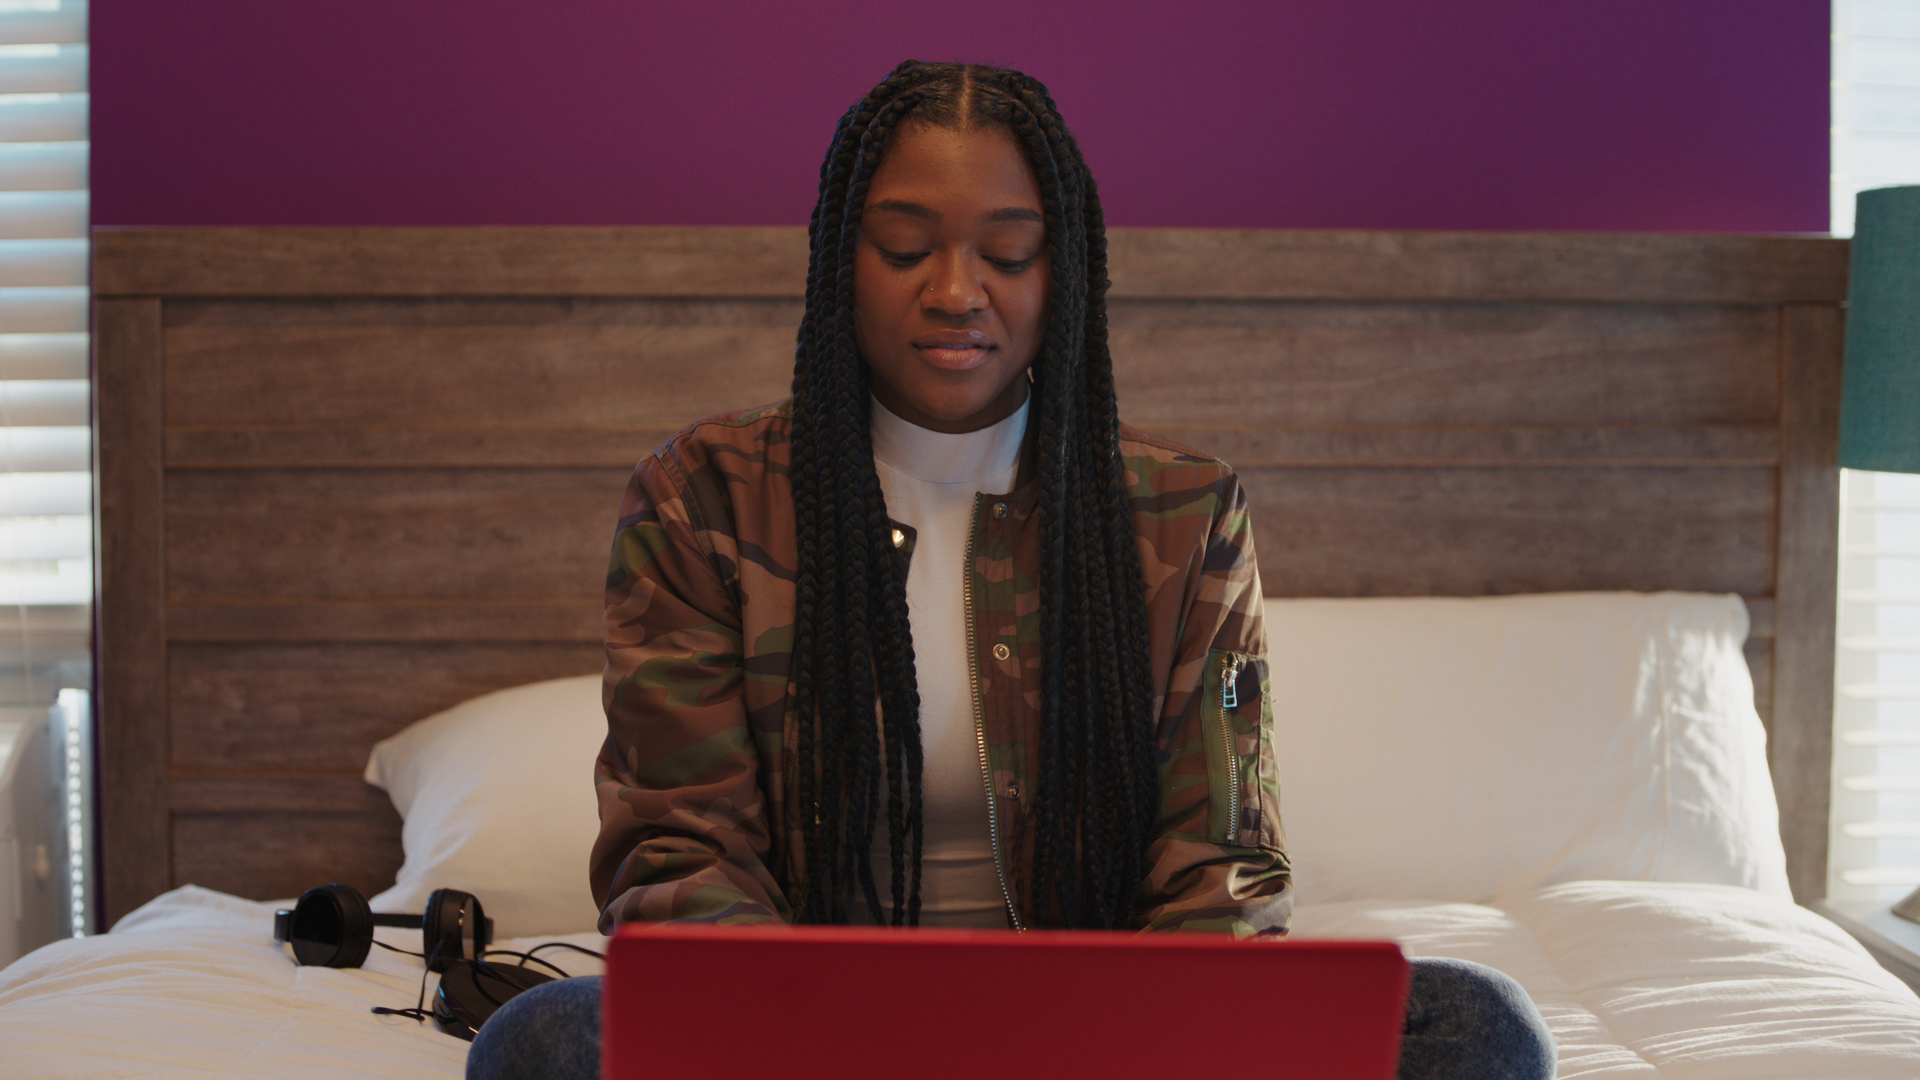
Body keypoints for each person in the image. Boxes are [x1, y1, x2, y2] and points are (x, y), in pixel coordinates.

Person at [468, 61, 1555, 1080]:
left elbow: (1220, 851)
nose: (956, 290)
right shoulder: (703, 497)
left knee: (1479, 1025)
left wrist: (1143, 1030)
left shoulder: (1186, 516)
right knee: (542, 1041)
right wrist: (811, 1030)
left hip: (1110, 1033)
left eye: (1009, 252)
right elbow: (681, 845)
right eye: (905, 248)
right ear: (841, 258)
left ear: (1062, 268)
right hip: (811, 1033)